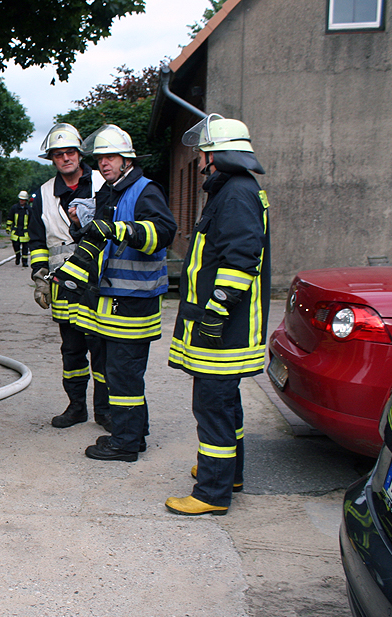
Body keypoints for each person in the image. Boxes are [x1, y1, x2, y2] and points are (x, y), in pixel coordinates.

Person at [165, 115, 270, 515]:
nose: (200, 161)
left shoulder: (237, 194)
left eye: (204, 153)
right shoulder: (235, 189)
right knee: (226, 405)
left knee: (213, 407)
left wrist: (216, 311)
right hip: (227, 326)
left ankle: (211, 492)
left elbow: (241, 260)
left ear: (218, 155)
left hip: (225, 329)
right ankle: (230, 474)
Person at [75, 124, 176, 463]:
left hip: (134, 301)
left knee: (124, 374)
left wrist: (123, 230)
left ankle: (125, 444)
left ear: (127, 160)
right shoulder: (111, 192)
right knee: (119, 372)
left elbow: (164, 231)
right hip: (114, 298)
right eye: (100, 159)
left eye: (111, 157)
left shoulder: (145, 190)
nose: (104, 163)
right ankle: (134, 433)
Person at [28, 123, 110, 431]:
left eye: (70, 152)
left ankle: (105, 410)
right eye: (59, 154)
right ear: (52, 159)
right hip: (64, 284)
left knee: (101, 349)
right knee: (72, 350)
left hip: (98, 281)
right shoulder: (44, 193)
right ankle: (76, 407)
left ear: (80, 153)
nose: (65, 158)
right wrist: (40, 277)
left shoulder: (103, 183)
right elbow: (38, 241)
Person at [7, 190, 32, 267]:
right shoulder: (14, 208)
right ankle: (18, 256)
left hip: (25, 232)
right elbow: (10, 218)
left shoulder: (29, 209)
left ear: (26, 200)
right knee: (16, 245)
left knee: (25, 248)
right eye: (20, 199)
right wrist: (8, 227)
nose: (21, 201)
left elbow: (32, 221)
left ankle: (24, 262)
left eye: (23, 200)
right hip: (16, 231)